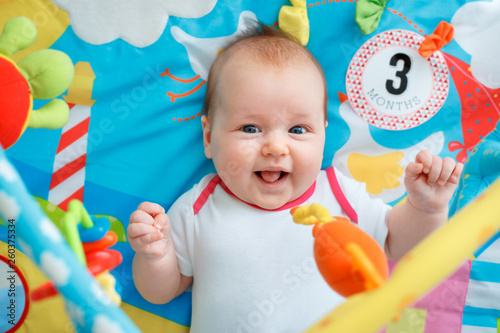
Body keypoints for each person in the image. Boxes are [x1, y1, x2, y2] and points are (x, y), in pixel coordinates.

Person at [127, 24, 463, 332]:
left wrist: (425, 208)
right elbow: (161, 292)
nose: (275, 146)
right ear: (209, 136)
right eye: (250, 128)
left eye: (298, 130)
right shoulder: (199, 208)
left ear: (323, 136)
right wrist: (155, 255)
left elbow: (397, 245)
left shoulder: (338, 194)